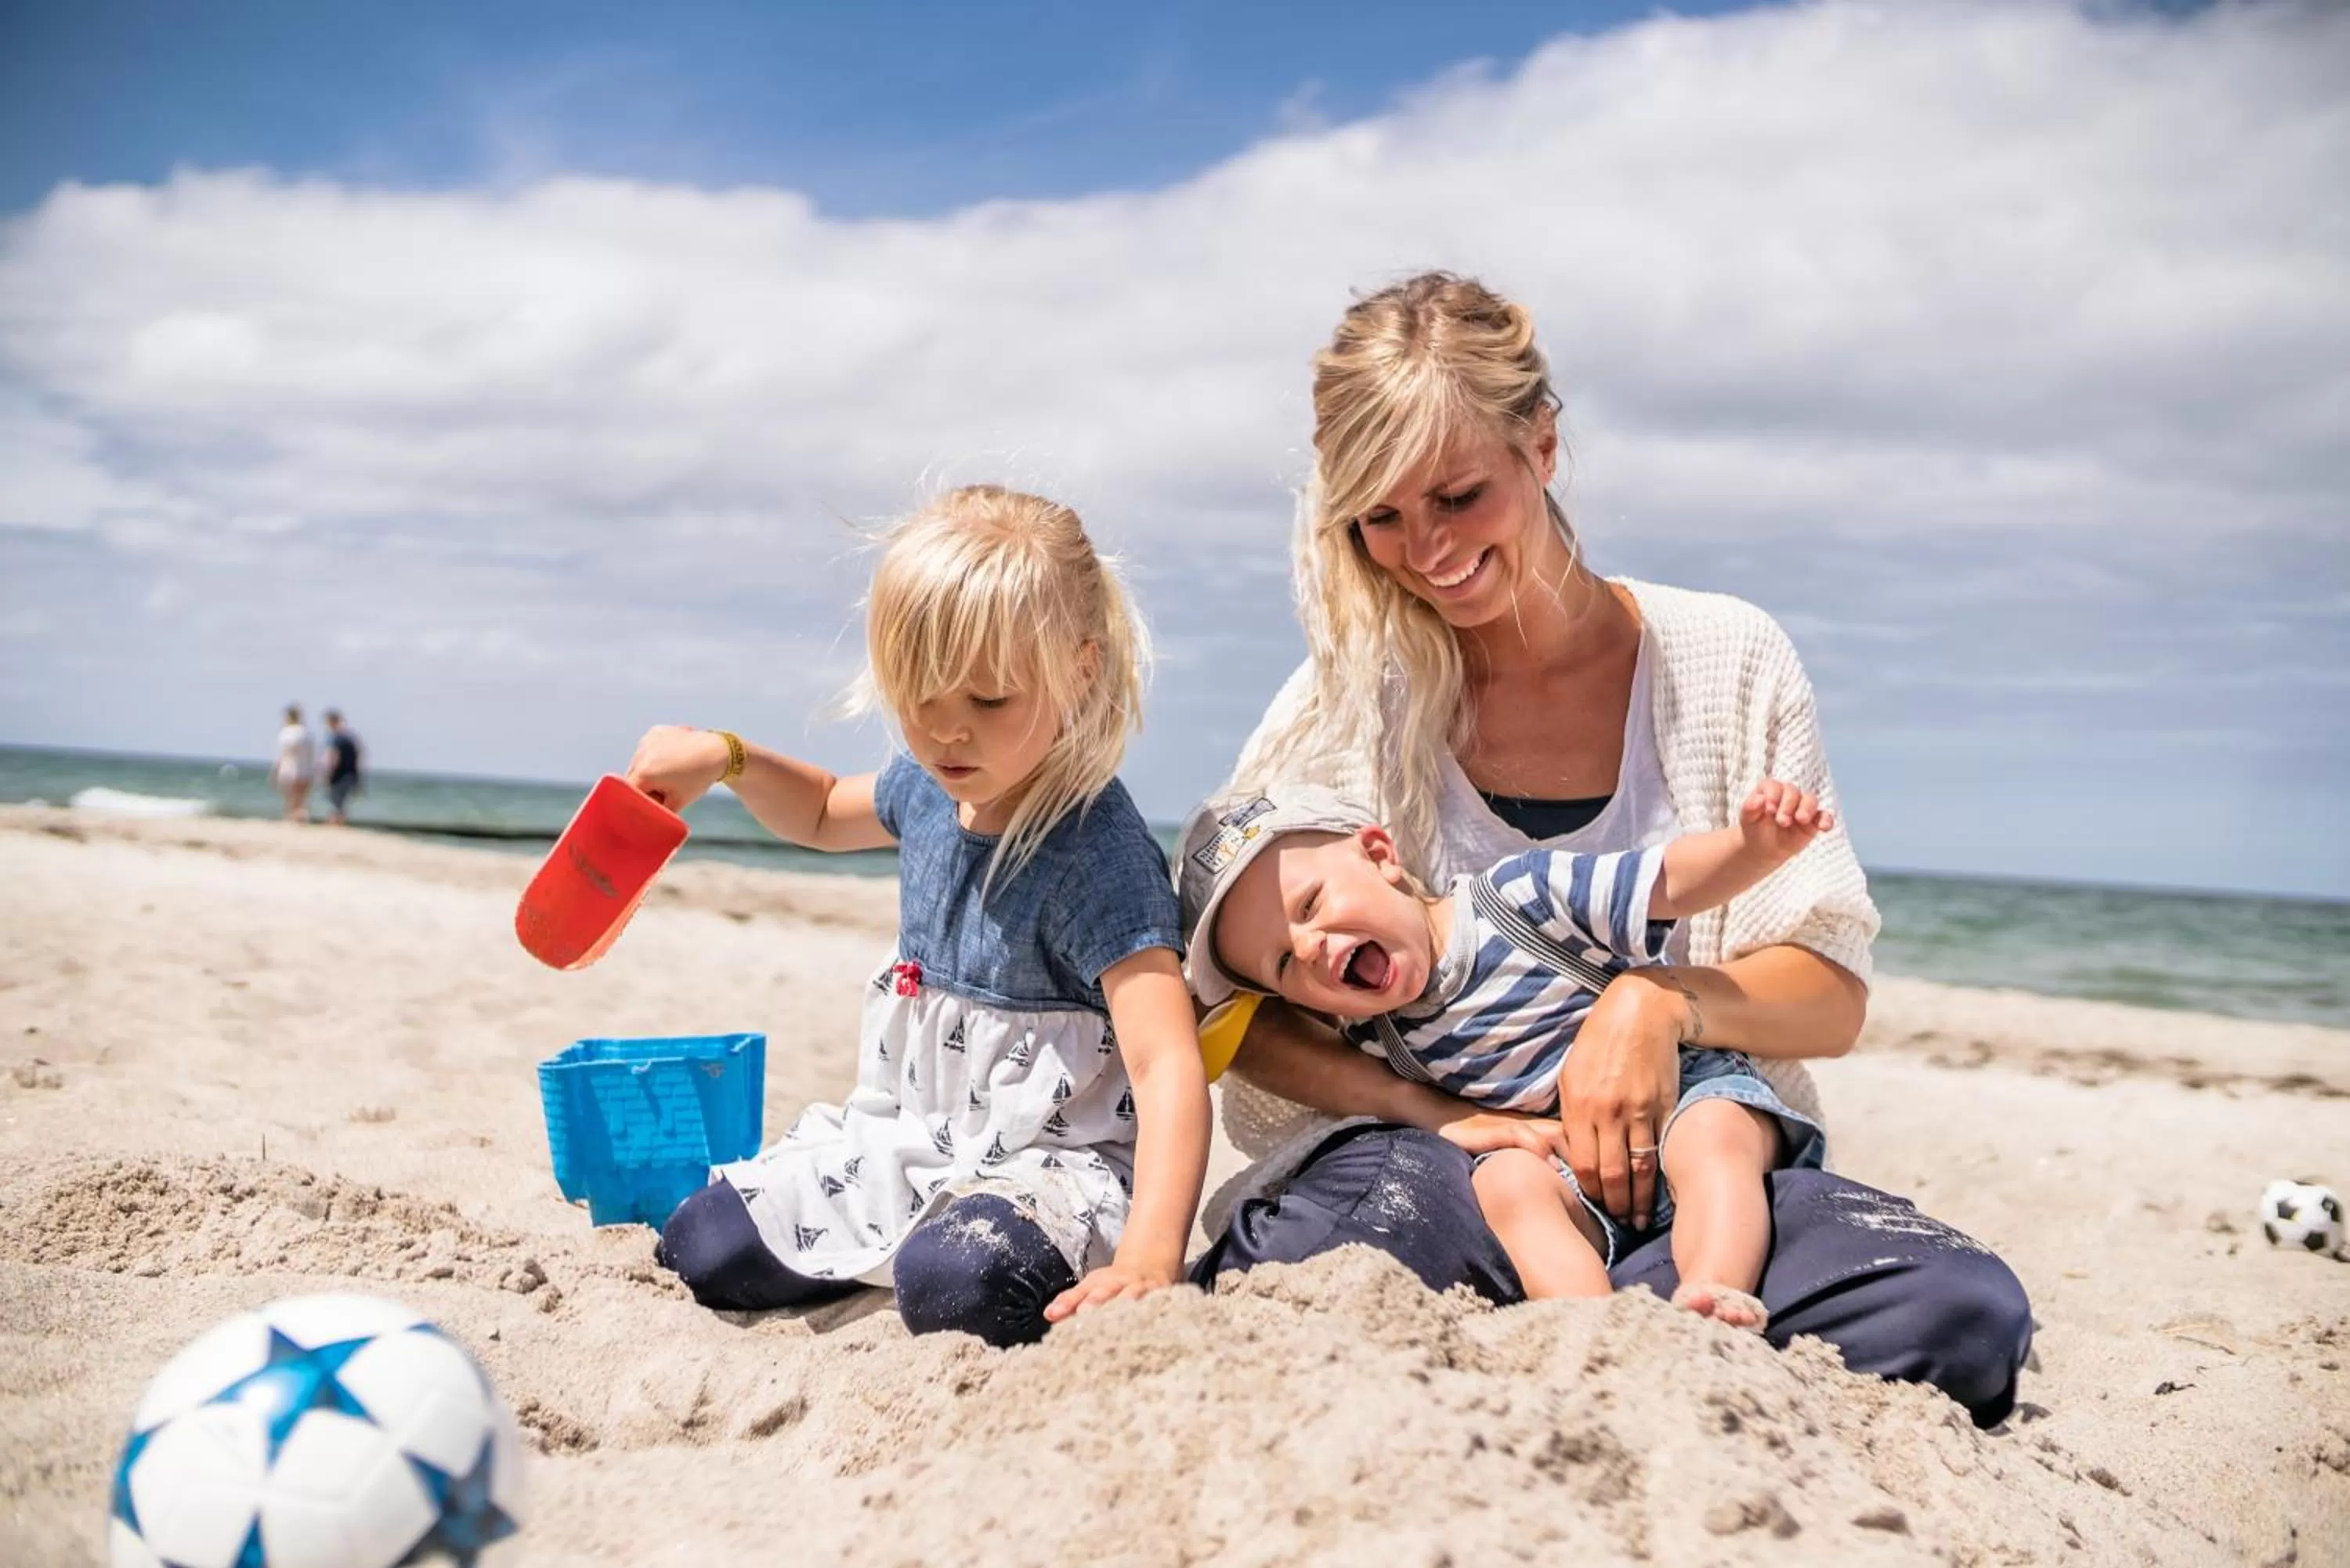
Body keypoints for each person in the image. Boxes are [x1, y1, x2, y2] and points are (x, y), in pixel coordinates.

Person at [1192, 272, 2033, 1426]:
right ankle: (1579, 1313)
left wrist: (1653, 1004)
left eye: (1457, 493)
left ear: (1541, 446)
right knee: (1304, 1245)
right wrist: (1444, 1119)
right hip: (1468, 1181)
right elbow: (1235, 1001)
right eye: (1381, 517)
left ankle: (1656, 1304)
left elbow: (1830, 998)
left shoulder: (1730, 657)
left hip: (1693, 1166)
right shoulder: (1349, 697)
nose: (1424, 549)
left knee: (1963, 1314)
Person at [624, 485, 1210, 1348]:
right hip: (911, 1140)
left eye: (989, 702)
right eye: (920, 698)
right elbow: (824, 811)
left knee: (958, 1280)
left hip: (1048, 1168)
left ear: (1079, 669)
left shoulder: (1098, 853)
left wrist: (1153, 1255)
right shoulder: (935, 789)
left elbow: (1167, 1065)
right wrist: (728, 759)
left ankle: (975, 1259)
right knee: (702, 1245)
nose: (947, 735)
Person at [1181, 778, 1835, 1331]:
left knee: (1714, 1139)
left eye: (1311, 904)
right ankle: (1596, 1332)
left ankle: (1715, 1298)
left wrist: (1754, 847)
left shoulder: (1516, 899)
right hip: (1573, 1163)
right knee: (1506, 1184)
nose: (1313, 945)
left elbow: (1664, 884)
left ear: (1380, 853)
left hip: (1680, 1094)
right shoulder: (1373, 1034)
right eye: (1284, 962)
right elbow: (1229, 1029)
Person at [270, 705, 314, 822]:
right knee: (300, 799)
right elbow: (312, 755)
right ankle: (299, 817)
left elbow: (280, 756)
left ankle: (291, 818)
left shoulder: (286, 732)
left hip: (288, 769)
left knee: (290, 798)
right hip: (305, 770)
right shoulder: (306, 733)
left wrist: (274, 773)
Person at [320, 710, 364, 826]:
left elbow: (333, 757)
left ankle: (334, 825)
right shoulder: (350, 737)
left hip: (338, 775)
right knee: (342, 804)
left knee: (335, 802)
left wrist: (327, 775)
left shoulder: (335, 738)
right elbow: (359, 755)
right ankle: (340, 824)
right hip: (351, 774)